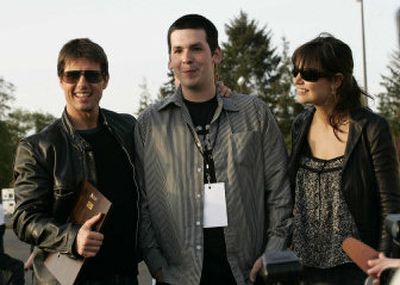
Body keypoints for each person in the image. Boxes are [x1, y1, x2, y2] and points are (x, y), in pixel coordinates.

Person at [136, 14, 292, 285]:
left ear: (216, 54)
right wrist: (156, 264)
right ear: (170, 59)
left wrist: (272, 253)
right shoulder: (150, 123)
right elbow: (143, 201)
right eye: (178, 50)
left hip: (247, 272)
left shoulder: (254, 113)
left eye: (196, 48)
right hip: (179, 275)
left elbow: (279, 192)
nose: (187, 58)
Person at [12, 38, 141, 285]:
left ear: (105, 80)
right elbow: (24, 218)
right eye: (73, 75)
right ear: (61, 80)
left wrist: (216, 90)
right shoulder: (38, 147)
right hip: (67, 279)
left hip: (124, 274)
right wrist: (72, 238)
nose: (82, 84)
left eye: (92, 75)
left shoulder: (127, 128)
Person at [288, 33, 400, 284]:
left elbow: (390, 205)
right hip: (304, 269)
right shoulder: (300, 125)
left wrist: (381, 266)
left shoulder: (371, 128)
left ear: (337, 80)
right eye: (295, 71)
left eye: (309, 74)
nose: (297, 79)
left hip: (356, 270)